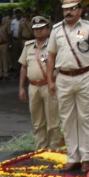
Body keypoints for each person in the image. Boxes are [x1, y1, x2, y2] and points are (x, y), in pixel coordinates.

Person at [48, 0, 89, 173]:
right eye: (65, 9)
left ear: (80, 10)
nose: (68, 12)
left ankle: (86, 157)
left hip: (85, 76)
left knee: (86, 118)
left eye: (72, 9)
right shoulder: (56, 30)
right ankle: (72, 158)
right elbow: (51, 55)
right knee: (67, 119)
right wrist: (50, 80)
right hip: (63, 78)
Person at [18, 16, 61, 150]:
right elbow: (24, 67)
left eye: (42, 28)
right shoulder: (28, 46)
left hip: (50, 85)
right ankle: (40, 149)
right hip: (33, 86)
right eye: (36, 29)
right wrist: (21, 87)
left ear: (48, 29)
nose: (38, 31)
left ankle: (54, 149)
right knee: (37, 121)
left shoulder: (54, 46)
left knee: (53, 121)